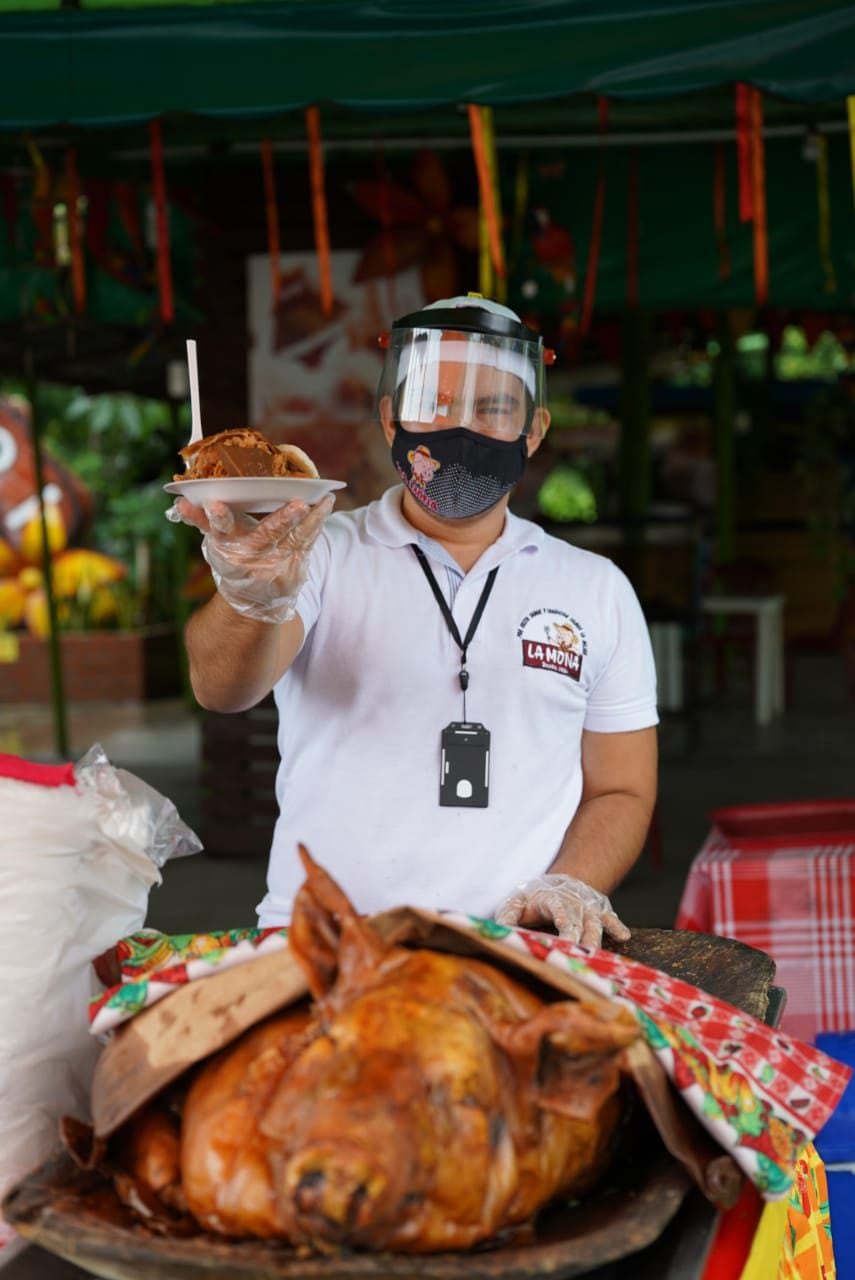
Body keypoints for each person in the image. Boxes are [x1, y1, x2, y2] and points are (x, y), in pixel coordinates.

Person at [170, 296, 658, 947]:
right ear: (390, 420)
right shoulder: (316, 554)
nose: (460, 426)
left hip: (519, 948)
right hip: (323, 941)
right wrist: (251, 594)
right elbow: (220, 688)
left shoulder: (595, 589)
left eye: (491, 407)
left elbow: (621, 788)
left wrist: (568, 884)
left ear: (533, 430)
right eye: (434, 399)